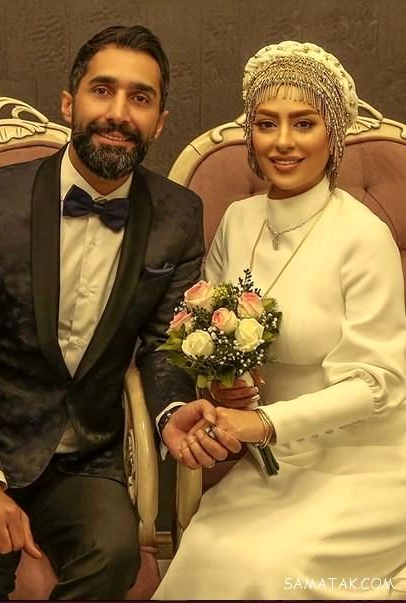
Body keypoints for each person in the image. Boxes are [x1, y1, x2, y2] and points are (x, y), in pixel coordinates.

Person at [0, 24, 218, 601]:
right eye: (102, 90)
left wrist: (171, 412)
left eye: (140, 98)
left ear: (160, 122)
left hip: (84, 453)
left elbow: (163, 346)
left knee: (114, 557)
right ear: (69, 103)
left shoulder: (178, 215)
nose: (118, 113)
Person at [154, 41, 406, 600]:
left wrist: (263, 423)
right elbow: (205, 330)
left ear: (332, 134)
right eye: (267, 124)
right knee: (206, 555)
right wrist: (221, 386)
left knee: (272, 573)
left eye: (304, 123)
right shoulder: (238, 220)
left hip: (368, 462)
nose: (283, 142)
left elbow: (378, 383)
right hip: (273, 464)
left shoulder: (363, 236)